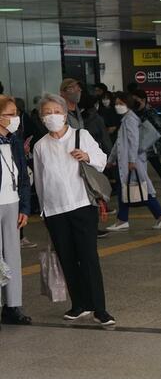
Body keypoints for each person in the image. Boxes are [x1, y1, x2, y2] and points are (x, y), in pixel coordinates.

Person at [32, 93, 113, 326]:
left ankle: (100, 308)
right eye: (47, 113)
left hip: (81, 205)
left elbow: (101, 159)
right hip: (55, 210)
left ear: (65, 115)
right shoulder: (40, 146)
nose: (52, 117)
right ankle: (79, 304)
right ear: (41, 117)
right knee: (66, 258)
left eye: (56, 112)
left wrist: (86, 156)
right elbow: (39, 180)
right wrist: (44, 210)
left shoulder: (80, 135)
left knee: (88, 257)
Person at [105, 92, 161, 232]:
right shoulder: (127, 119)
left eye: (121, 104)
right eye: (116, 103)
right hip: (129, 161)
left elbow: (133, 141)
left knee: (139, 190)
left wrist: (131, 160)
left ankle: (158, 216)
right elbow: (119, 143)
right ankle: (124, 220)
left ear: (128, 104)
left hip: (132, 162)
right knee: (130, 189)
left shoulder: (130, 120)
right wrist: (111, 159)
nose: (118, 106)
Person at [0, 95, 32, 327]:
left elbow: (22, 176)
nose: (15, 119)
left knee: (13, 255)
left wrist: (24, 207)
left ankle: (13, 306)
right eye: (9, 114)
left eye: (15, 114)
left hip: (12, 203)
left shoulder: (14, 140)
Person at [131, 89, 161, 197]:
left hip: (150, 145)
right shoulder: (134, 112)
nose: (134, 102)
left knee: (156, 165)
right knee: (141, 168)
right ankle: (142, 192)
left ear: (143, 100)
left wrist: (152, 139)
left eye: (137, 99)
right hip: (139, 144)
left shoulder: (150, 112)